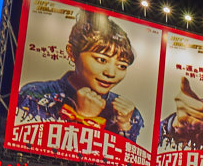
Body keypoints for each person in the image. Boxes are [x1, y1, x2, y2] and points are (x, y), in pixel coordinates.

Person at [15, 10, 145, 143]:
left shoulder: (129, 114)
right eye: (101, 60)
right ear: (72, 53)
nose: (111, 73)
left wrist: (124, 126)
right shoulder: (36, 95)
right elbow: (26, 143)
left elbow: (129, 159)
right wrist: (84, 117)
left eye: (122, 66)